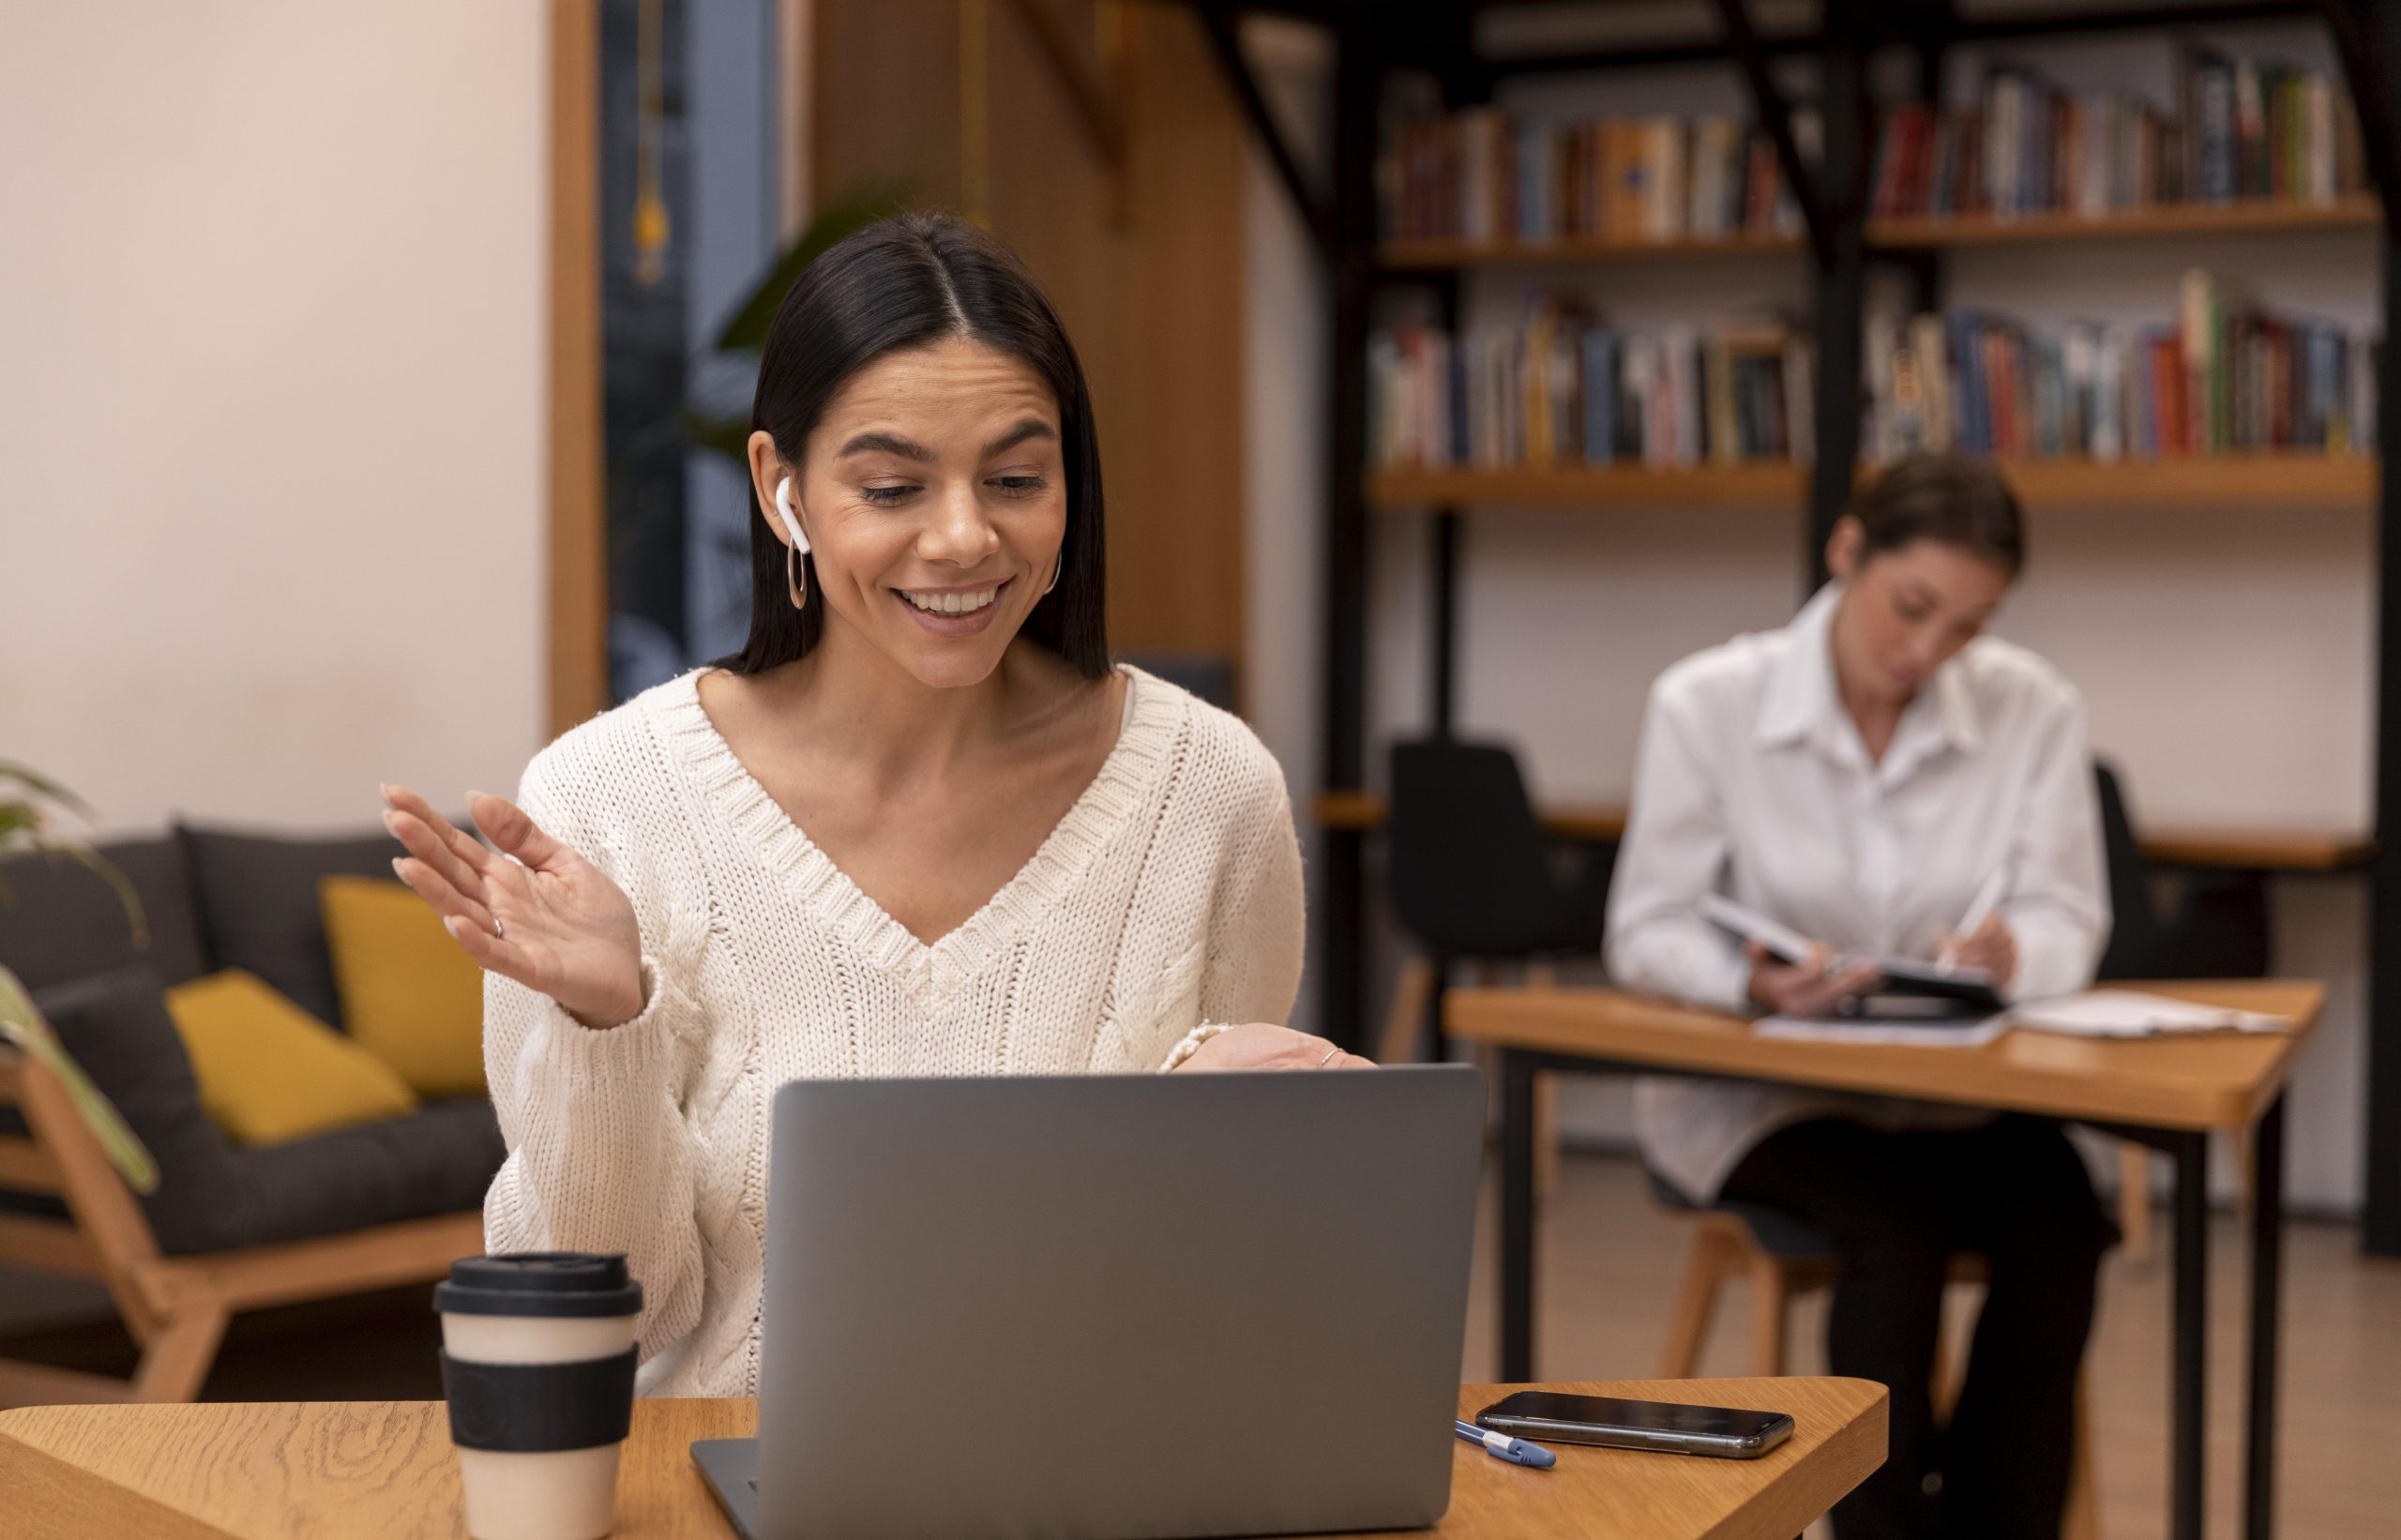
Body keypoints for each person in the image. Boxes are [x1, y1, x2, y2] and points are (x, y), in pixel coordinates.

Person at [380, 213, 1367, 1398]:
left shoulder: (1209, 795)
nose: (963, 538)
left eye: (1016, 478)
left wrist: (1230, 1145)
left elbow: (1214, 1286)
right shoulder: (606, 801)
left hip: (1090, 1489)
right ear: (780, 489)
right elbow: (613, 1320)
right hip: (719, 1488)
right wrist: (607, 1027)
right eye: (892, 484)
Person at [1605, 452, 2116, 1540]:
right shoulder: (1707, 703)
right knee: (1895, 1225)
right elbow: (1645, 928)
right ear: (1847, 553)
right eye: (1911, 608)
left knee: (2064, 1217)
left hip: (1959, 1094)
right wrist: (1750, 980)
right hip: (1770, 1098)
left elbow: (2071, 914)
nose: (1926, 653)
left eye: (1967, 628)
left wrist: (2009, 953)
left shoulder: (2036, 708)